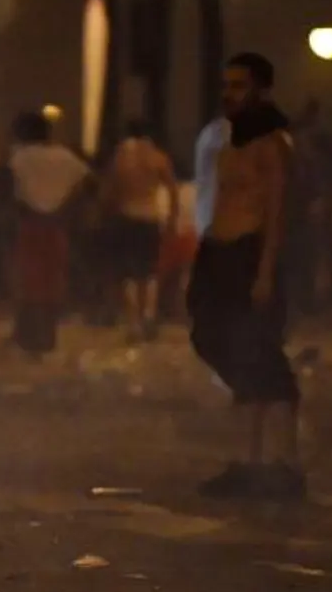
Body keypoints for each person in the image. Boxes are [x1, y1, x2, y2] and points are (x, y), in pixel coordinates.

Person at [190, 53, 303, 500]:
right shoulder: (230, 142)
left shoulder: (274, 144)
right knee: (218, 343)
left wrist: (265, 272)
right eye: (226, 84)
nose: (229, 93)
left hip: (251, 255)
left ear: (261, 90)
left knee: (260, 354)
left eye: (239, 85)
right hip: (218, 254)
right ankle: (247, 464)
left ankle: (280, 464)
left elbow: (277, 215)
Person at [6, 111, 90, 357]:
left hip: (28, 223)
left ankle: (28, 337)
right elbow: (87, 184)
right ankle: (48, 336)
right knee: (53, 279)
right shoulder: (66, 157)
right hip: (58, 224)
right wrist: (66, 206)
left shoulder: (19, 157)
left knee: (28, 279)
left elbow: (6, 187)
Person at [101, 121, 178, 341]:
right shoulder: (158, 157)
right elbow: (172, 190)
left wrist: (105, 212)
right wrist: (172, 219)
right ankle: (146, 316)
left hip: (125, 216)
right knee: (147, 271)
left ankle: (133, 320)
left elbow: (110, 188)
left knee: (125, 272)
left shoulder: (120, 157)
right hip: (150, 216)